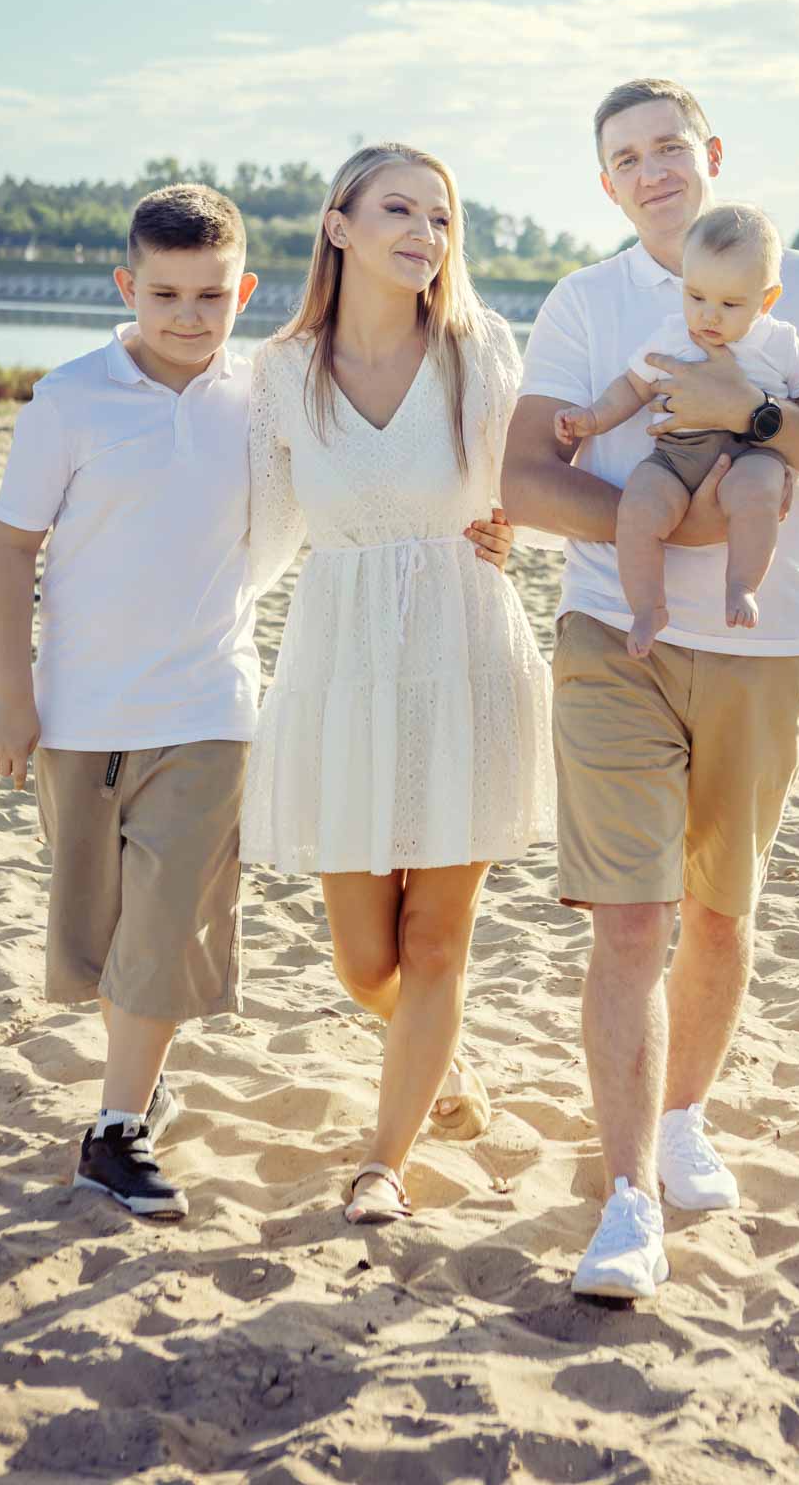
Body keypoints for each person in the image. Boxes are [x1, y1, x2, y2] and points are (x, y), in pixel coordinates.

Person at [502, 78, 799, 1300]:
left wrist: (752, 415)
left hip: (765, 648)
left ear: (710, 153)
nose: (653, 170)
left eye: (669, 145)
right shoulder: (586, 302)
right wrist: (669, 524)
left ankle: (682, 1120)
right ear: (606, 183)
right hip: (614, 633)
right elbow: (527, 479)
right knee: (632, 919)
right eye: (627, 157)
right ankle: (627, 1201)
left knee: (719, 914)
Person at [240, 141, 555, 1226]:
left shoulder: (481, 349)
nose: (426, 233)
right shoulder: (280, 372)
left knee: (434, 942)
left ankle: (385, 1161)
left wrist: (519, 533)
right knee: (364, 960)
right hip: (340, 667)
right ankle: (444, 1057)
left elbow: (530, 485)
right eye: (400, 211)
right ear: (339, 227)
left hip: (465, 656)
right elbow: (259, 535)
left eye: (442, 217)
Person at [0, 184, 260, 1222]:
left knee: (169, 921)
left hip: (211, 707)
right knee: (101, 938)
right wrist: (12, 700)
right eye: (166, 293)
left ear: (245, 292)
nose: (189, 316)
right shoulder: (69, 399)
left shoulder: (266, 398)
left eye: (212, 296)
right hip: (81, 713)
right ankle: (138, 1088)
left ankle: (115, 1131)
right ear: (125, 285)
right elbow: (12, 549)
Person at [555, 204, 799, 654]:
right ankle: (648, 608)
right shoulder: (672, 335)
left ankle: (741, 585)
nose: (709, 317)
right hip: (675, 455)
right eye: (696, 297)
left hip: (749, 451)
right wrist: (593, 418)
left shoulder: (778, 341)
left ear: (767, 300)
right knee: (638, 508)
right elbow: (633, 386)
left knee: (759, 491)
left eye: (730, 304)